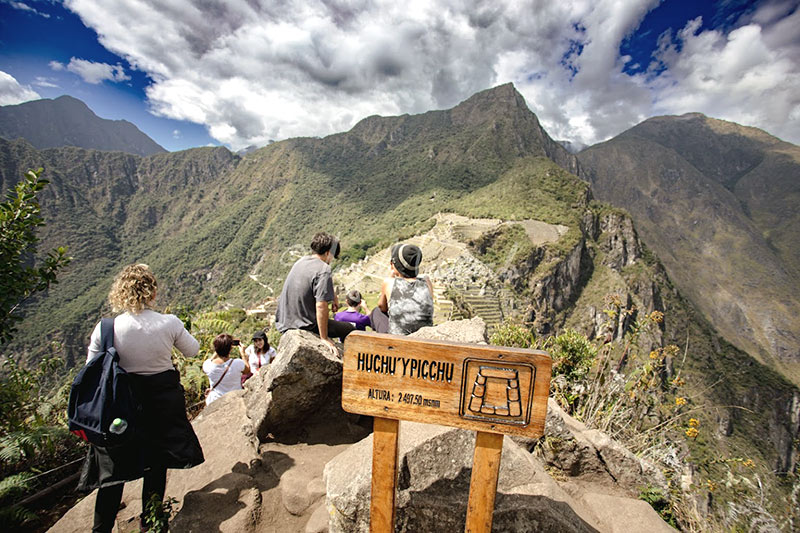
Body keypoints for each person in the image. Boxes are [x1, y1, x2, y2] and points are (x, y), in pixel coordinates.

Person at [81, 264, 204, 533]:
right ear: (152, 292)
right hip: (161, 404)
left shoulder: (106, 329)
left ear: (121, 293)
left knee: (113, 473)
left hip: (119, 409)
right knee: (156, 464)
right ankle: (152, 523)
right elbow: (193, 351)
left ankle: (101, 528)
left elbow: (92, 369)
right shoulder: (168, 323)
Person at [275, 232, 354, 353]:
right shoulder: (324, 269)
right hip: (305, 325)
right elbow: (321, 306)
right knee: (350, 329)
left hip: (284, 322)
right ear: (328, 253)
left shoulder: (301, 261)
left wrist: (333, 296)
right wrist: (324, 338)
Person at [377, 243, 434, 335]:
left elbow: (382, 307)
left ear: (394, 264)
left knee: (377, 312)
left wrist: (391, 276)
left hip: (399, 343)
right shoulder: (427, 282)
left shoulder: (388, 283)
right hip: (424, 339)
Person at [203, 334, 250, 405]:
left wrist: (219, 348)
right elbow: (247, 370)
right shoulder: (237, 363)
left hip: (214, 402)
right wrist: (243, 354)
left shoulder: (207, 365)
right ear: (230, 349)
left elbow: (211, 359)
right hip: (234, 401)